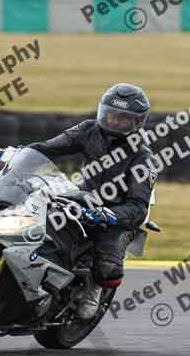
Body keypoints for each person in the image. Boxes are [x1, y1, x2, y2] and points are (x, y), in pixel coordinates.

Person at [28, 83, 156, 320]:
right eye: (110, 114)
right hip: (83, 196)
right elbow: (47, 149)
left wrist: (109, 215)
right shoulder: (89, 130)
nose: (113, 122)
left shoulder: (143, 157)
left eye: (122, 119)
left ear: (137, 122)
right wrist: (14, 156)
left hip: (117, 212)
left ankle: (93, 288)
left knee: (107, 265)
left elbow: (138, 208)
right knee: (34, 217)